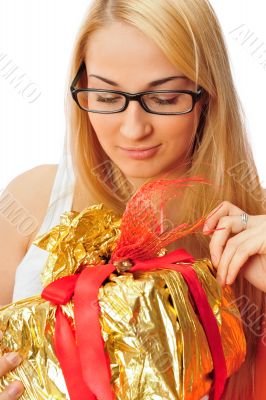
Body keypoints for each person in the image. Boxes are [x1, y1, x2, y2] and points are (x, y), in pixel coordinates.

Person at [0, 0, 265, 399]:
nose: (133, 128)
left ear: (207, 93)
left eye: (165, 98)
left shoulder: (257, 225)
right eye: (106, 97)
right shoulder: (33, 200)